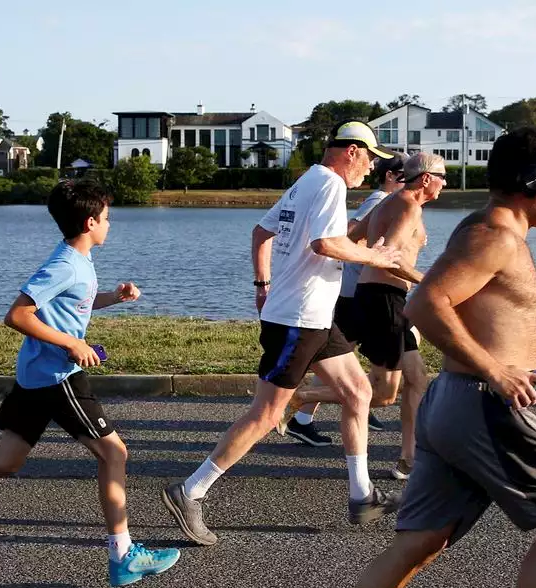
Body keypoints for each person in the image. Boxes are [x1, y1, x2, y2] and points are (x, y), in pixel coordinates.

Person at [295, 128, 536, 588]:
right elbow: (425, 304)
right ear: (534, 182)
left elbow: (477, 305)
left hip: (456, 403)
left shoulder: (501, 233)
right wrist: (499, 373)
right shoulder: (494, 233)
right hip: (483, 403)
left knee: (419, 542)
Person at [0, 180, 181, 587]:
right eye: (107, 219)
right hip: (58, 377)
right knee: (114, 453)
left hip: (37, 375)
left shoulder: (78, 260)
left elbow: (70, 301)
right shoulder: (64, 264)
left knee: (5, 461)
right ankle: (124, 554)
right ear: (90, 222)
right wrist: (73, 343)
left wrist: (113, 297)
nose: (110, 225)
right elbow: (18, 315)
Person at [161, 121, 415, 545]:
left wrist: (262, 286)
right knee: (266, 415)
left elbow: (261, 233)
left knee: (358, 392)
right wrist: (377, 256)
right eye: (370, 158)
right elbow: (326, 245)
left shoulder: (306, 182)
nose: (371, 169)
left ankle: (361, 494)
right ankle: (190, 491)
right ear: (351, 151)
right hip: (299, 319)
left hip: (311, 316)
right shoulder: (331, 185)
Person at [287, 153, 446, 481]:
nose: (446, 182)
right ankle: (301, 396)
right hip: (386, 300)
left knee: (416, 378)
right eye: (443, 176)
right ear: (427, 178)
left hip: (372, 296)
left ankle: (409, 460)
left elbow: (353, 233)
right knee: (386, 394)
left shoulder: (388, 202)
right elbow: (391, 260)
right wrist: (430, 282)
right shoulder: (408, 206)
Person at [286, 154, 407, 447]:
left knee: (342, 354)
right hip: (355, 290)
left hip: (358, 290)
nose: (407, 181)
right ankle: (303, 412)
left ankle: (308, 417)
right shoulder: (379, 199)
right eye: (402, 175)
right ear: (390, 177)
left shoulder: (391, 203)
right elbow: (349, 233)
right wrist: (370, 254)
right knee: (337, 355)